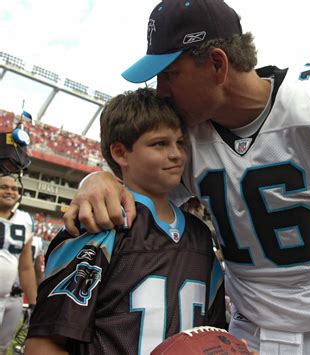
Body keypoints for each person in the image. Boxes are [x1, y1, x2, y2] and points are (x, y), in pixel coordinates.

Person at [64, 1, 310, 353]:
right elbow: (141, 189)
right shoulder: (186, 137)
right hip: (244, 337)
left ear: (217, 64)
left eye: (170, 74)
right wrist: (97, 180)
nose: (160, 91)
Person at [24, 88, 227, 355]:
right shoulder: (99, 225)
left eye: (180, 142)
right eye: (160, 144)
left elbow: (215, 339)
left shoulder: (200, 235)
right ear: (120, 153)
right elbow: (42, 346)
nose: (176, 154)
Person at [0, 174, 37, 355]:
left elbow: (26, 266)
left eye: (14, 188)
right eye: (4, 187)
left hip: (9, 297)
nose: (10, 191)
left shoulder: (25, 220)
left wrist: (33, 303)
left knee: (3, 347)